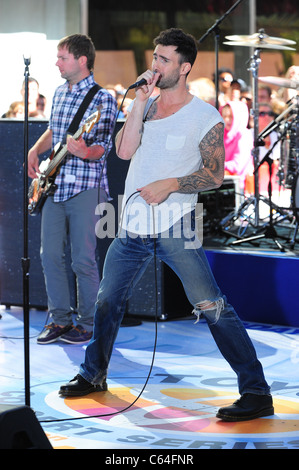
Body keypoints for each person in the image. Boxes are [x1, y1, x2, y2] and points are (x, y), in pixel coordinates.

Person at [59, 28, 273, 422]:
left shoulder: (204, 116)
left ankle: (257, 391)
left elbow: (212, 176)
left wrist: (172, 184)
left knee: (211, 306)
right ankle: (93, 375)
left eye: (163, 59)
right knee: (107, 300)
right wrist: (139, 103)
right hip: (132, 226)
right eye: (154, 57)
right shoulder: (146, 104)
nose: (154, 65)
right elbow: (123, 151)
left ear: (185, 67)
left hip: (177, 227)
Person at [27, 34, 117, 344]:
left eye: (62, 57)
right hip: (55, 186)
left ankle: (89, 322)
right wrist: (34, 150)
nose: (56, 62)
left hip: (86, 187)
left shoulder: (102, 97)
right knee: (49, 255)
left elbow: (104, 147)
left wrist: (83, 151)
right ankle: (60, 319)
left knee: (82, 259)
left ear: (82, 60)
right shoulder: (58, 92)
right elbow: (56, 130)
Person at [221, 100, 254, 191]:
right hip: (223, 184)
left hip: (239, 189)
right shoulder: (223, 134)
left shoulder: (244, 135)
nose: (227, 120)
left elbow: (238, 166)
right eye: (224, 116)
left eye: (231, 117)